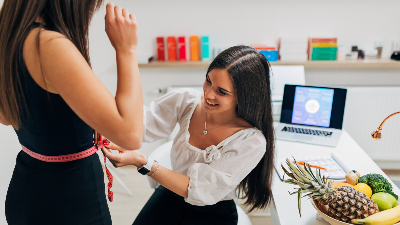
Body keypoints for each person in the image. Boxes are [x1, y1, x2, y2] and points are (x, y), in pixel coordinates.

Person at [0, 1, 143, 224]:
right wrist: (127, 49)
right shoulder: (48, 45)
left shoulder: (11, 32)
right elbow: (131, 135)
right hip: (68, 202)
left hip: (27, 190)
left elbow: (6, 117)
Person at [102, 45, 275, 225]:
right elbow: (141, 126)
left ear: (245, 96)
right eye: (208, 81)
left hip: (214, 212)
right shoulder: (185, 100)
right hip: (172, 194)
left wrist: (142, 162)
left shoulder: (251, 141)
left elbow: (199, 190)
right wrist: (108, 129)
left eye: (221, 92)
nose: (208, 94)